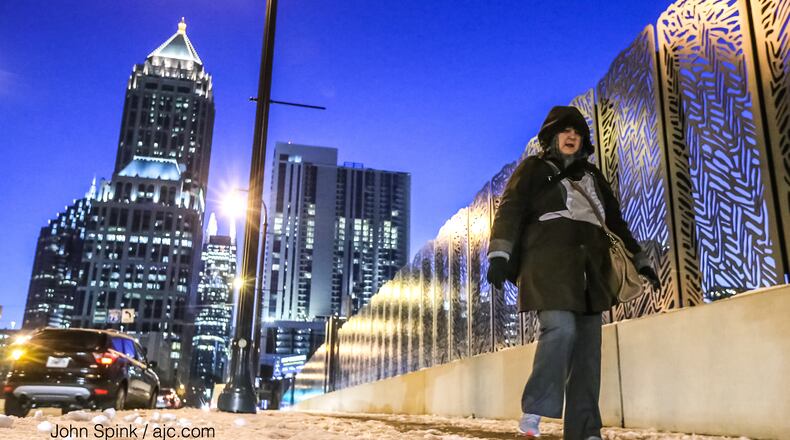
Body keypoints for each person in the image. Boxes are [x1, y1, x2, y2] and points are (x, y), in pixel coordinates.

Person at [486, 106, 659, 439]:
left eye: (577, 133)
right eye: (565, 131)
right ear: (552, 137)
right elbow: (510, 208)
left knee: (588, 353)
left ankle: (585, 431)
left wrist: (641, 261)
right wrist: (499, 254)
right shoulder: (534, 169)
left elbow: (615, 223)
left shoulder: (593, 176)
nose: (571, 137)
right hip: (548, 264)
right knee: (560, 329)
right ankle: (535, 406)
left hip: (591, 269)